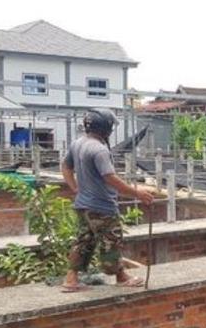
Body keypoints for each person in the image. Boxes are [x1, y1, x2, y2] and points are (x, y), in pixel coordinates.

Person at [61, 108, 154, 292]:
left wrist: (75, 188)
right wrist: (138, 194)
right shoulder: (99, 149)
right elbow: (110, 178)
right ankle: (121, 276)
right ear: (106, 128)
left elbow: (65, 167)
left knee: (83, 241)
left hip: (83, 205)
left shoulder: (78, 143)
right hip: (102, 207)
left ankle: (71, 279)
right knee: (111, 241)